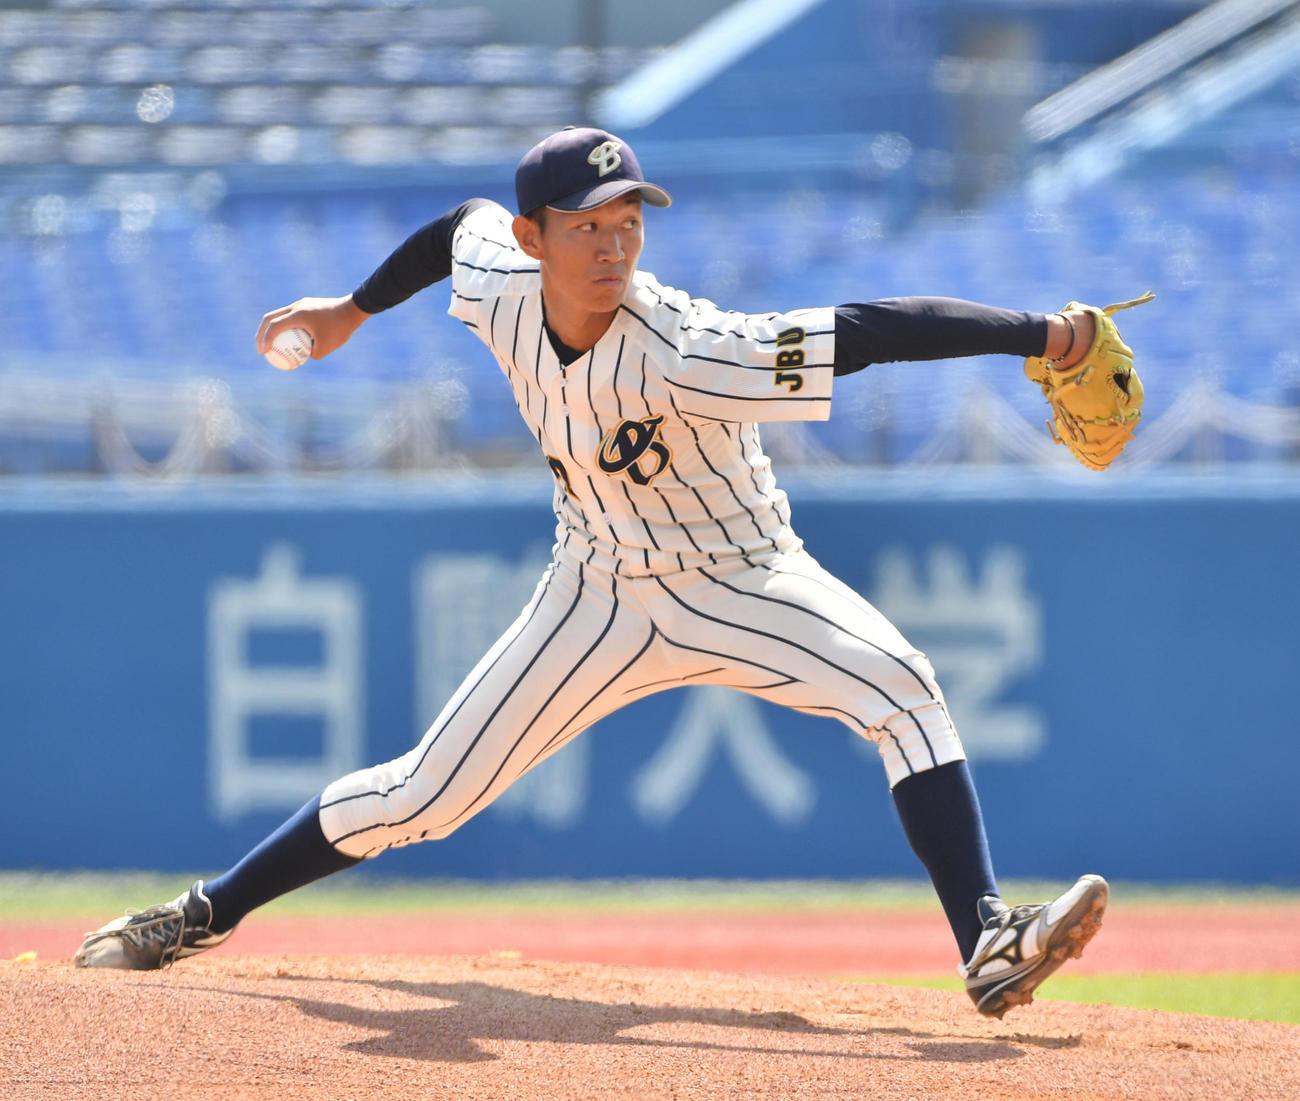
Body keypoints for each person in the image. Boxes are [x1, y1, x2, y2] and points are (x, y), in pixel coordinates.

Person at [75, 126, 1109, 1019]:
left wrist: (1044, 334)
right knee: (419, 797)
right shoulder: (497, 275)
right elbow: (456, 227)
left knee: (902, 688)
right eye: (587, 225)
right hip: (596, 591)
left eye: (629, 221)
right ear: (535, 241)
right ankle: (202, 910)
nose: (613, 243)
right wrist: (353, 309)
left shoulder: (689, 343)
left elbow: (869, 332)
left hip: (738, 577)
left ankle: (987, 939)